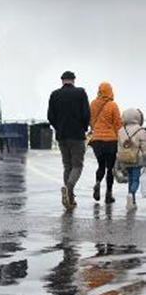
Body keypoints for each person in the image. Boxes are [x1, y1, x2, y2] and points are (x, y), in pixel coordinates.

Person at [48, 71, 90, 209]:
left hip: (62, 136)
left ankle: (70, 200)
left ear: (62, 81)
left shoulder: (55, 94)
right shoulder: (81, 93)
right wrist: (83, 128)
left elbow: (50, 116)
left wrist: (59, 127)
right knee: (77, 166)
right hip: (77, 135)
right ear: (73, 80)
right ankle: (69, 188)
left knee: (67, 166)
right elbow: (86, 114)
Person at [89, 82, 122, 204]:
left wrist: (97, 130)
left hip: (96, 140)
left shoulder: (92, 104)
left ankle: (97, 183)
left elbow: (91, 122)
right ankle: (108, 194)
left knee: (101, 165)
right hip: (111, 141)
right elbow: (118, 124)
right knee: (110, 168)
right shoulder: (113, 105)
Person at [117, 108, 146, 211]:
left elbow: (120, 147)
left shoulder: (121, 130)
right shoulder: (141, 130)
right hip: (136, 159)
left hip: (124, 159)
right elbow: (144, 146)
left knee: (130, 179)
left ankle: (132, 201)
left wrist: (118, 162)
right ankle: (131, 194)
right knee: (135, 179)